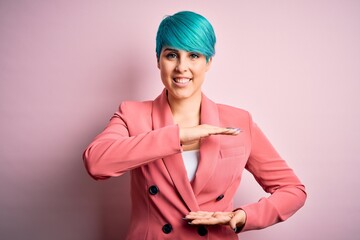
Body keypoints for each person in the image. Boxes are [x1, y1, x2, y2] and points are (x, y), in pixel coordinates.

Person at [83, 11, 306, 239]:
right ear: (158, 59)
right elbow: (96, 162)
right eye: (171, 55)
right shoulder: (132, 115)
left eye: (194, 55)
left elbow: (293, 190)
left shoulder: (239, 121)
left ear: (208, 61)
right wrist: (179, 135)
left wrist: (242, 217)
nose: (182, 67)